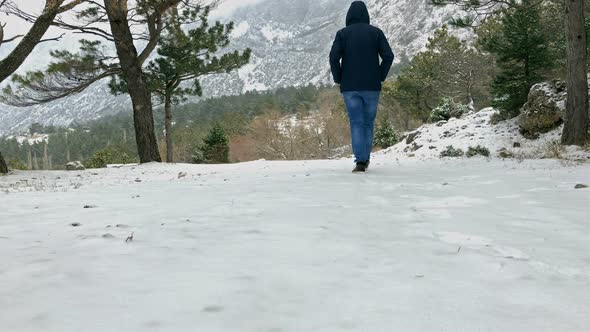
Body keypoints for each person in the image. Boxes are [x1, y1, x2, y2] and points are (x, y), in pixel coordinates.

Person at [329, 0, 394, 173]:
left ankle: (360, 162)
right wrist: (380, 75)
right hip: (372, 86)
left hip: (350, 87)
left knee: (356, 123)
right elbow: (388, 56)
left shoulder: (342, 34)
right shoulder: (376, 33)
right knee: (368, 124)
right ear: (366, 15)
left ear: (349, 16)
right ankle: (366, 160)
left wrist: (339, 79)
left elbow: (334, 58)